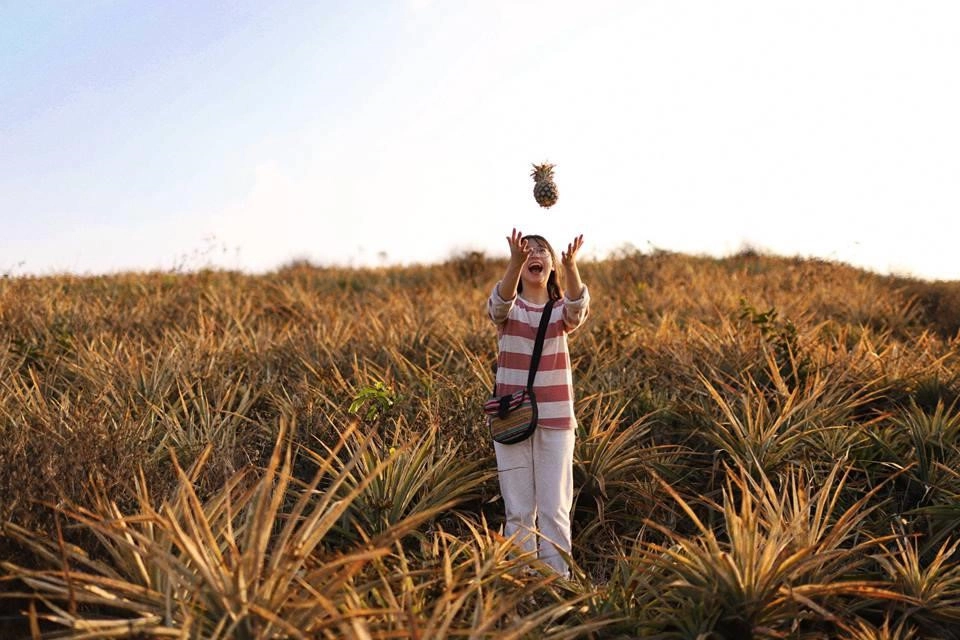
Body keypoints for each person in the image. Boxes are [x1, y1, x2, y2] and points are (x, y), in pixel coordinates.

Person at [486, 228, 590, 576]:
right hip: (511, 419)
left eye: (540, 250)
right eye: (525, 249)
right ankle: (520, 585)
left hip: (557, 420)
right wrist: (513, 263)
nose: (533, 253)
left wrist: (572, 265)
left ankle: (558, 585)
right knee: (517, 510)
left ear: (551, 264)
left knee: (554, 509)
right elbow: (498, 304)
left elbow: (578, 307)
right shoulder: (509, 310)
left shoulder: (560, 312)